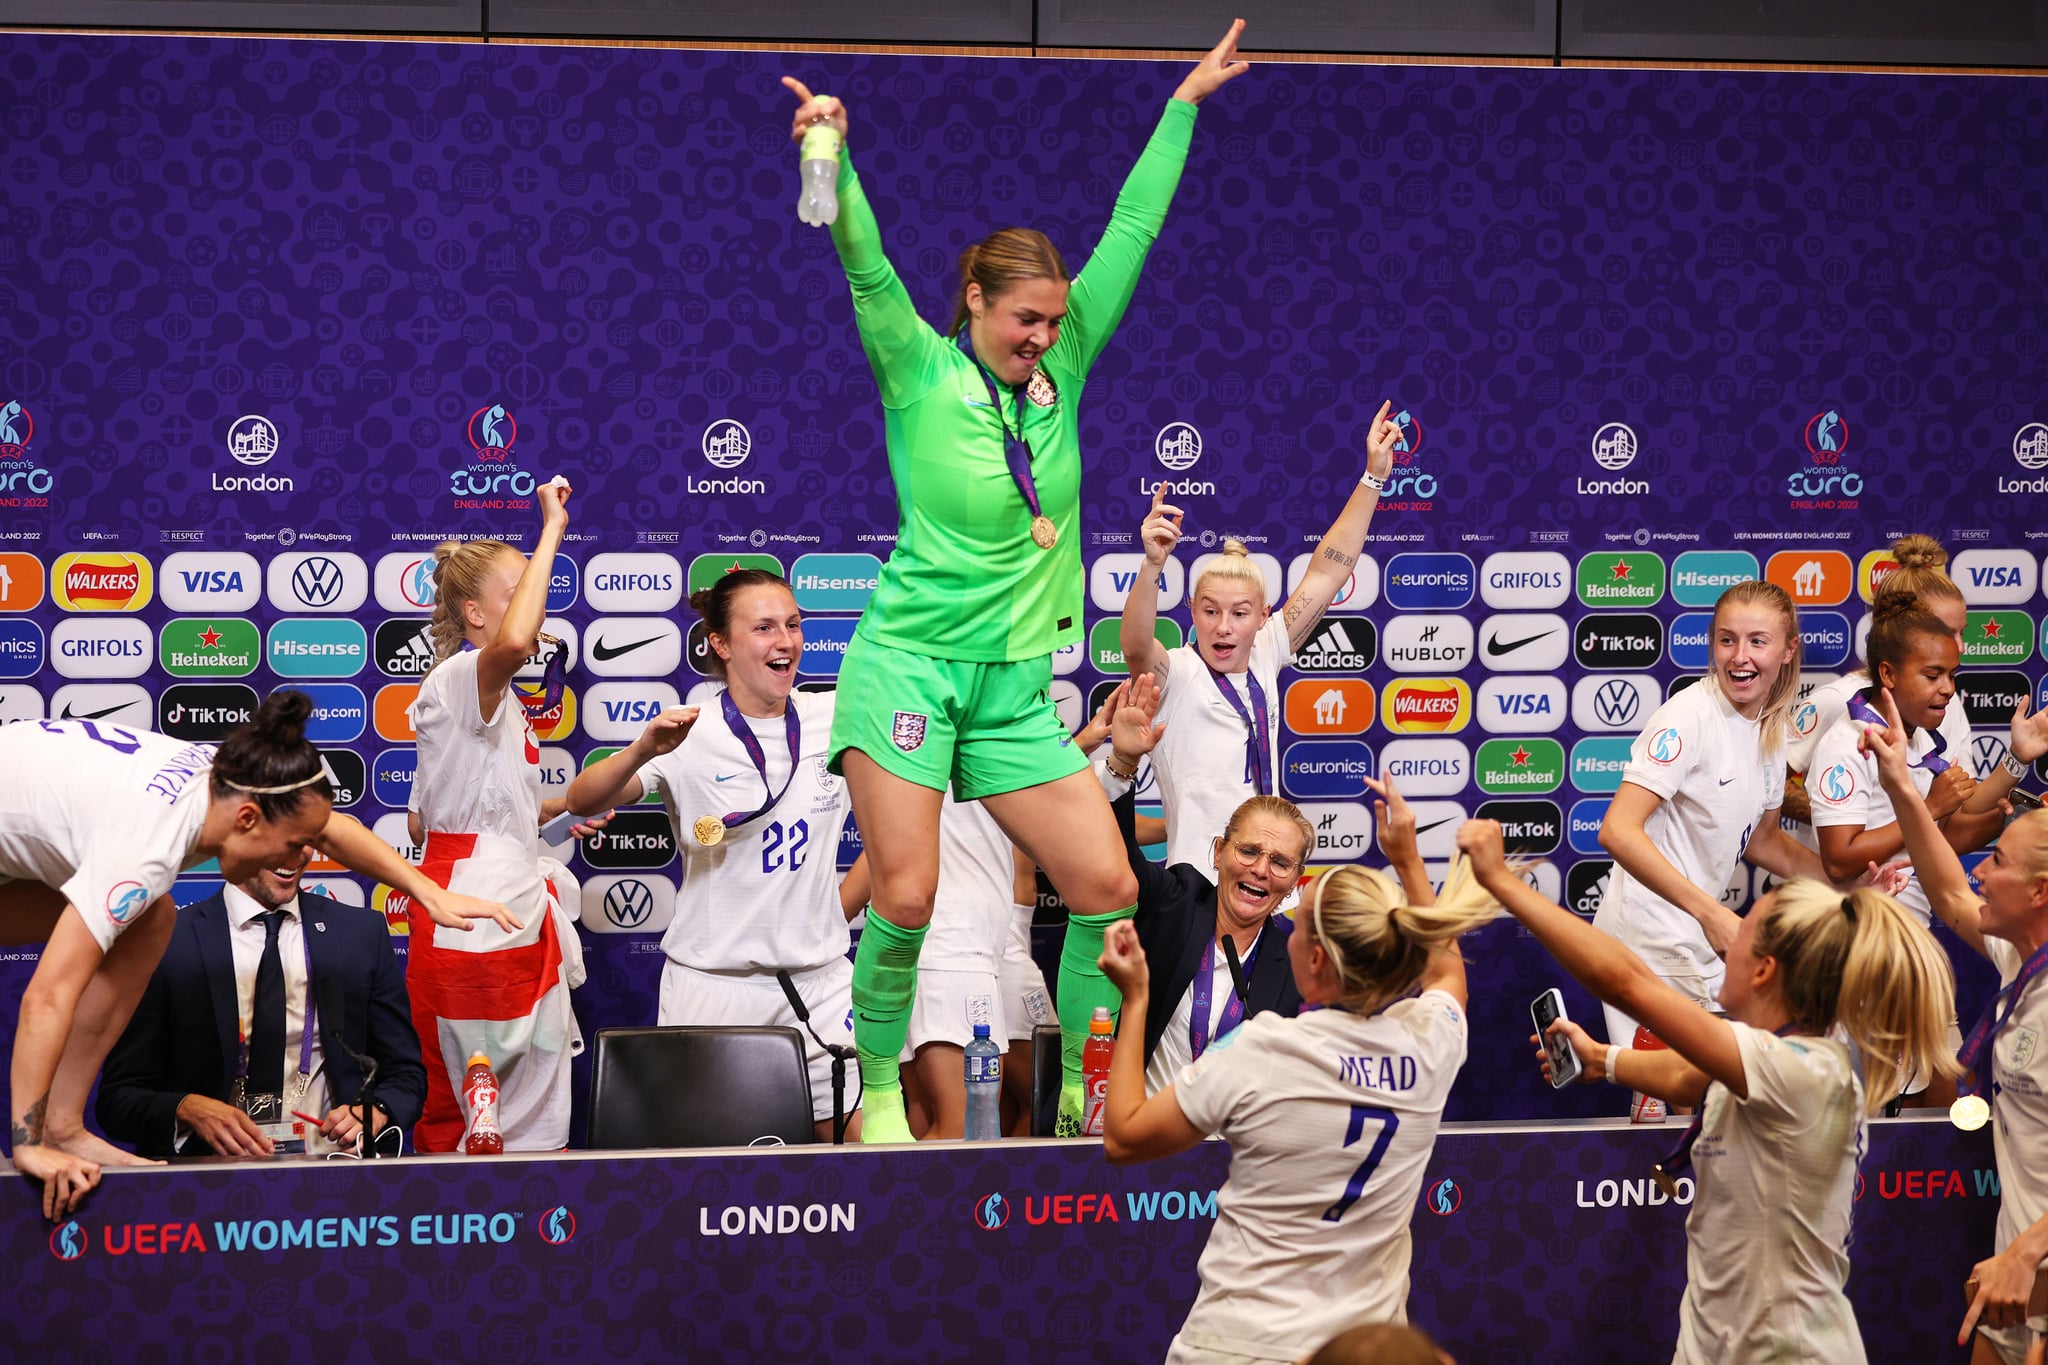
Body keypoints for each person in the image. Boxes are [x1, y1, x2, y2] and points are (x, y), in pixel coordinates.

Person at [779, 21, 1251, 1139]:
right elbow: (862, 259)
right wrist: (832, 158)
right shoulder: (918, 367)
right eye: (1023, 319)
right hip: (906, 663)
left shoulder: (1066, 360)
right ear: (977, 305)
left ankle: (1092, 1085)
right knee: (904, 894)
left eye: (1052, 320)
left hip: (1007, 685)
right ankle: (883, 1088)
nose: (1043, 336)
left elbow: (1131, 227)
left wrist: (1181, 101)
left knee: (1105, 885)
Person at [1463, 819, 1957, 1365]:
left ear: (1766, 970)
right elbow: (1685, 1078)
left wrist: (1503, 884)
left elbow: (1630, 984)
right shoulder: (1763, 1055)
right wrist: (1602, 1061)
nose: (1723, 937)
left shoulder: (1806, 1070)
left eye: (1741, 930)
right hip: (1716, 1341)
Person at [0, 694, 512, 1219]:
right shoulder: (141, 851)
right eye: (294, 846)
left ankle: (65, 1124)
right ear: (247, 819)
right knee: (149, 920)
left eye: (308, 845)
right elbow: (49, 996)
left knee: (151, 920)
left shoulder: (237, 782)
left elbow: (334, 829)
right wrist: (27, 1142)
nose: (302, 860)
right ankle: (46, 1132)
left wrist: (429, 893)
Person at [1096, 736, 1502, 1361]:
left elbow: (1122, 1137)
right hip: (1361, 1347)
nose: (1262, 873)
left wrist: (1136, 998)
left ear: (1313, 961)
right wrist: (1408, 859)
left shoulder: (1264, 1050)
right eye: (1248, 851)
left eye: (1300, 915)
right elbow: (1448, 976)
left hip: (1240, 1346)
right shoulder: (1432, 1047)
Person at [567, 568, 866, 1142]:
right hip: (714, 985)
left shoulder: (836, 717)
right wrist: (642, 750)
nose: (786, 641)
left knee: (853, 1156)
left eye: (794, 625)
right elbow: (584, 799)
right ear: (721, 645)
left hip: (821, 982)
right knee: (714, 1170)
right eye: (764, 628)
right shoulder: (686, 731)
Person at [404, 481, 600, 1152]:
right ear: (474, 615)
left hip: (506, 906)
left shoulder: (489, 699)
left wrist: (546, 818)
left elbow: (429, 823)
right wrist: (553, 527)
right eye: (514, 594)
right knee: (465, 1121)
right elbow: (516, 644)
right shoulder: (462, 676)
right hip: (475, 917)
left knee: (522, 1118)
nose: (531, 609)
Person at [1119, 401, 1399, 870]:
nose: (1223, 626)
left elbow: (1328, 572)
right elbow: (1135, 645)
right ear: (1192, 611)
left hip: (1269, 875)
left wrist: (1373, 478)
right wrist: (1152, 565)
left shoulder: (1267, 649)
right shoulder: (1180, 671)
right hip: (1198, 885)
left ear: (1262, 617)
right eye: (1209, 611)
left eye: (1239, 613)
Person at [1860, 687, 2048, 1365]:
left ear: (2039, 893)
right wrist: (1903, 787)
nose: (1980, 870)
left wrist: (2026, 1256)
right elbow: (1944, 890)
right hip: (2012, 1281)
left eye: (1996, 861)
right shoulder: (2019, 954)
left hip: (2031, 1271)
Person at [1594, 581, 1840, 1046]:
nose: (1739, 657)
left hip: (1695, 936)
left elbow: (1765, 841)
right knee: (1684, 1093)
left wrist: (1848, 882)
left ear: (1788, 651)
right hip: (1651, 938)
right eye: (1727, 640)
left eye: (1757, 641)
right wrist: (1712, 914)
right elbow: (1617, 831)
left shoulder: (1768, 724)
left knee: (1698, 1096)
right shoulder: (1687, 717)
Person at [96, 852, 427, 1159]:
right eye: (280, 837)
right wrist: (187, 1108)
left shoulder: (360, 933)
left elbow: (405, 1074)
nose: (294, 854)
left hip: (334, 1173)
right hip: (206, 1183)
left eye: (305, 839)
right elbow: (118, 1101)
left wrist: (377, 1110)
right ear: (237, 841)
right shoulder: (168, 942)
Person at [1782, 534, 1971, 841]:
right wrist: (1845, 816)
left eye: (1962, 632)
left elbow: (1956, 811)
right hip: (1828, 885)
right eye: (1945, 632)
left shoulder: (1949, 704)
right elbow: (1770, 787)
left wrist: (2012, 765)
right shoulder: (1836, 700)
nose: (1958, 646)